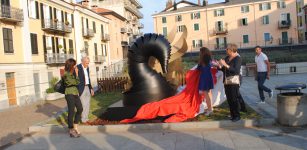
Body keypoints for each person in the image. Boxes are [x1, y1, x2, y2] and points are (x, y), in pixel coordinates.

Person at [218, 43, 242, 122]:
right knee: (229, 99)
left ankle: (237, 115)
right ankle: (232, 115)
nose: (226, 50)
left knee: (234, 98)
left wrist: (226, 65)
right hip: (226, 81)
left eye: (227, 49)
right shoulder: (227, 57)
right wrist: (219, 66)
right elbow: (223, 69)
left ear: (231, 50)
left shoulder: (237, 58)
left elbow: (236, 71)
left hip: (234, 81)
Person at [63, 58, 83, 138]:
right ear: (71, 66)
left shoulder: (72, 74)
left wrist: (76, 74)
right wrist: (77, 74)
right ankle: (71, 130)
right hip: (69, 94)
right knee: (71, 111)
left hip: (75, 93)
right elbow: (75, 82)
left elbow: (77, 82)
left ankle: (75, 126)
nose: (75, 66)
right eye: (74, 65)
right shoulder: (66, 74)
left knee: (80, 109)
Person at [77, 56, 94, 124]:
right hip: (81, 88)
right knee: (83, 104)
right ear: (83, 62)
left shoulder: (87, 68)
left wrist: (91, 88)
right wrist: (77, 90)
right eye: (86, 63)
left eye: (88, 63)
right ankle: (83, 120)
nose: (88, 64)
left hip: (87, 87)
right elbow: (76, 80)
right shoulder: (78, 67)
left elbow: (88, 79)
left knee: (88, 104)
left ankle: (86, 118)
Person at [197, 47, 214, 116]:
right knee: (209, 94)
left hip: (204, 78)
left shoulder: (202, 61)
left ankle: (209, 110)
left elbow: (199, 69)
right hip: (209, 77)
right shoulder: (209, 59)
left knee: (206, 95)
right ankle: (211, 108)